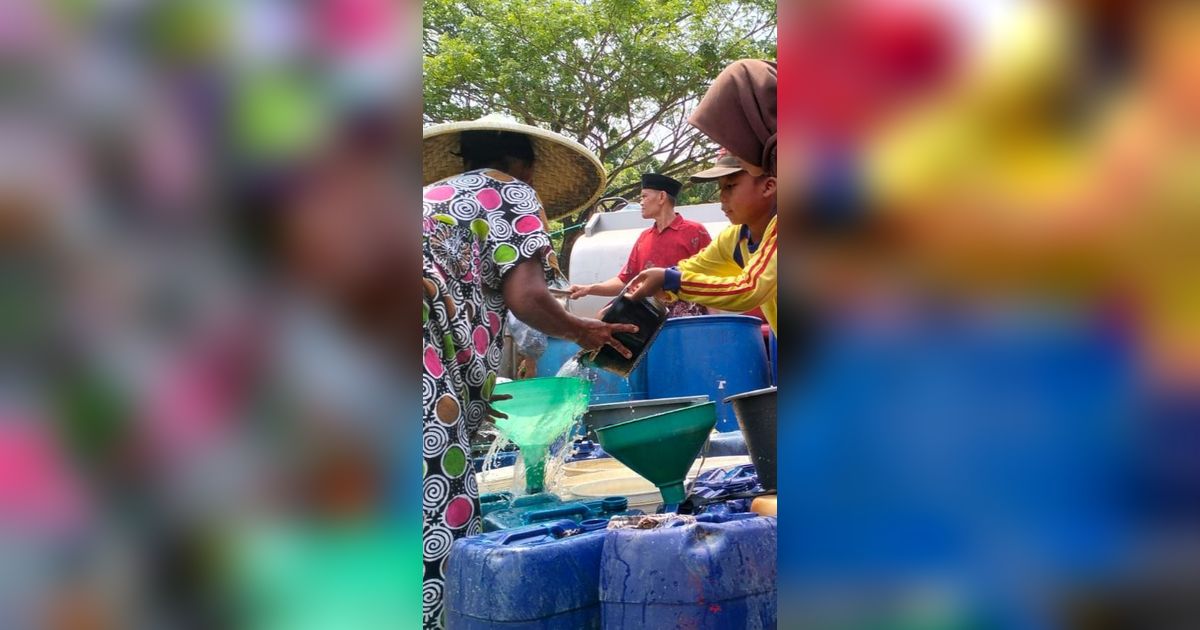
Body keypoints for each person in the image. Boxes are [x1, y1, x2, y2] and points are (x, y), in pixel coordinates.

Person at [421, 116, 636, 629]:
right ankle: (443, 616)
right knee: (439, 495)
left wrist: (474, 391)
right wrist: (584, 332)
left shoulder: (430, 198)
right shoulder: (511, 192)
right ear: (526, 165)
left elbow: (456, 303)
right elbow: (528, 296)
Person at [627, 60, 779, 334]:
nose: (722, 198)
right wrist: (647, 288)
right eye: (719, 188)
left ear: (769, 186)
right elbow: (692, 268)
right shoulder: (735, 240)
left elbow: (749, 289)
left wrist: (671, 280)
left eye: (730, 186)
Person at [568, 173, 712, 317]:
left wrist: (716, 322)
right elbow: (624, 281)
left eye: (644, 196)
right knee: (604, 317)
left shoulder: (695, 231)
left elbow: (711, 277)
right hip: (649, 311)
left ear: (662, 197)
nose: (641, 202)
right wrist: (588, 289)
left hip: (684, 315)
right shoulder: (644, 237)